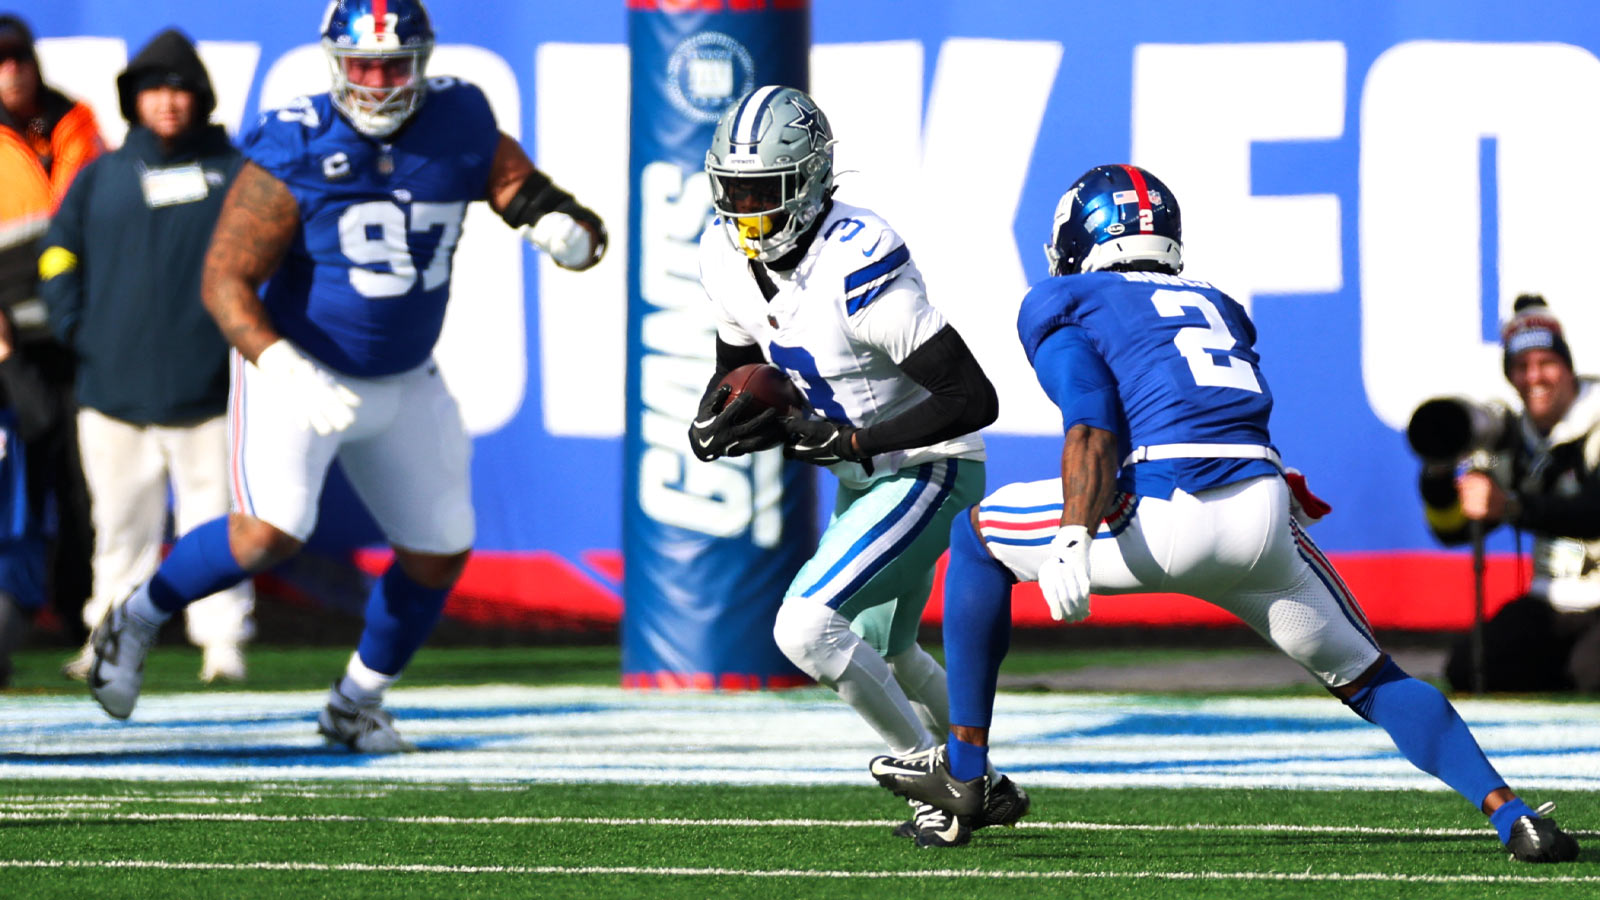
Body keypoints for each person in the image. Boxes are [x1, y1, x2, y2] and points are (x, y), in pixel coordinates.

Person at [868, 164, 1580, 863]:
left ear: (1082, 239)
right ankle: (1513, 815)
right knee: (1374, 678)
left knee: (976, 540)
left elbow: (1092, 419)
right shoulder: (1217, 303)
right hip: (1262, 516)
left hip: (1164, 508)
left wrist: (1074, 533)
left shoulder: (1065, 298)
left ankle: (965, 774)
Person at [85, 0, 605, 750]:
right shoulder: (297, 141)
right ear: (334, 64)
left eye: (395, 67)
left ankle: (355, 702)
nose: (378, 83)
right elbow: (225, 280)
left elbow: (529, 194)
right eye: (363, 65)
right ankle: (135, 616)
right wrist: (283, 365)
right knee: (269, 533)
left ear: (423, 64)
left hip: (406, 373)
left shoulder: (459, 118)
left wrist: (565, 230)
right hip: (297, 366)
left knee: (440, 547)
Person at [690, 85, 1021, 847]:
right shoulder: (722, 255)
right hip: (867, 478)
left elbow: (972, 397)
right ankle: (981, 781)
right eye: (734, 192)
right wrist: (725, 420)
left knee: (806, 627)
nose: (746, 212)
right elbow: (741, 372)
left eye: (764, 192)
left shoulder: (856, 259)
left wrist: (854, 443)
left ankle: (940, 781)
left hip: (928, 465)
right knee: (890, 651)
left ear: (810, 181)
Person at [42, 28, 255, 684]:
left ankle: (222, 642)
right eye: (153, 89)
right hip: (111, 394)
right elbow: (58, 253)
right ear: (132, 98)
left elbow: (271, 263)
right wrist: (73, 326)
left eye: (181, 90)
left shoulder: (236, 174)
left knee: (214, 528)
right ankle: (110, 641)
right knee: (119, 529)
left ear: (203, 98)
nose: (167, 101)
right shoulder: (100, 176)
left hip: (210, 394)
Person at [1419, 295, 1600, 692]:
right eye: (1521, 367)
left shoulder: (1595, 419)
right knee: (1469, 668)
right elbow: (1453, 532)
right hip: (1549, 601)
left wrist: (1513, 507)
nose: (1534, 378)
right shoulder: (1517, 436)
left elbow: (1593, 512)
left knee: (1589, 672)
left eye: (1546, 363)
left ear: (1568, 368)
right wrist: (1438, 475)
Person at [0, 12, 98, 657]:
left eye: (17, 59)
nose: (9, 72)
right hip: (7, 340)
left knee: (82, 479)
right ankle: (14, 611)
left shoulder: (78, 125)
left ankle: (78, 611)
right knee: (16, 478)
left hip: (74, 330)